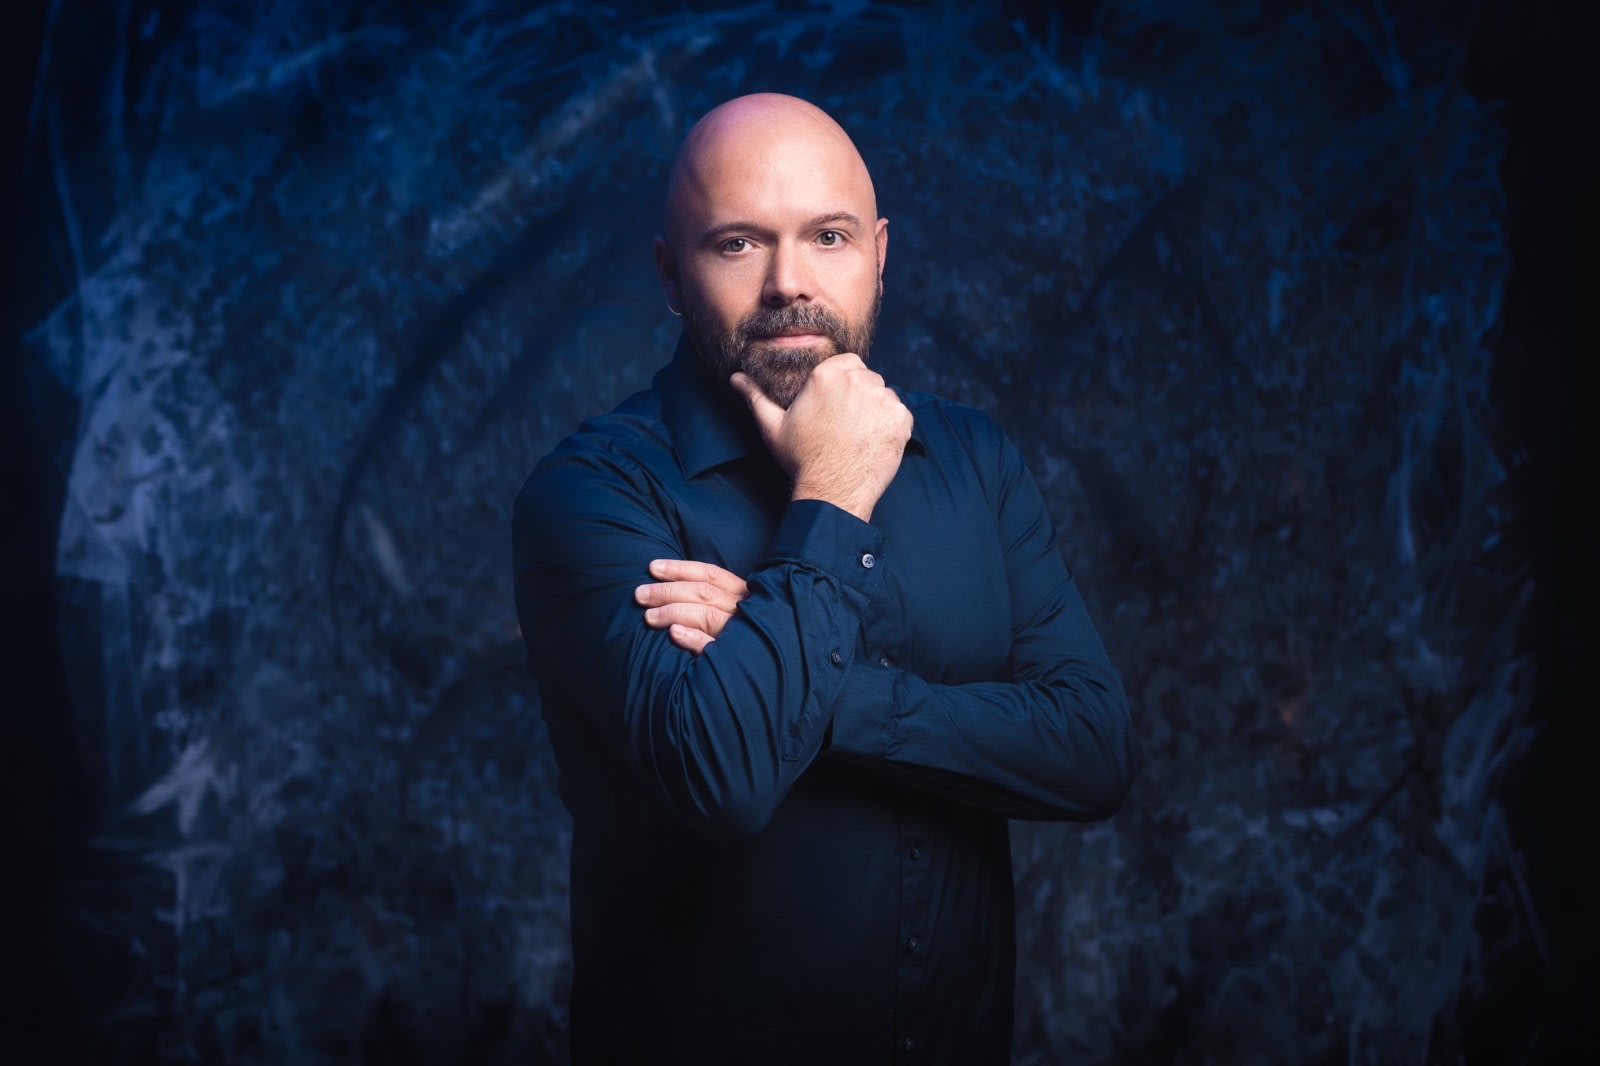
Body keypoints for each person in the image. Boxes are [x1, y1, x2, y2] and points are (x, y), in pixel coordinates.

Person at [512, 93, 1142, 1065]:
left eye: (829, 236)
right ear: (671, 274)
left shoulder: (973, 458)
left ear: (878, 254)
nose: (789, 283)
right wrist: (836, 487)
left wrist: (825, 694)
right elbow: (724, 777)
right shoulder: (592, 493)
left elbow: (1093, 750)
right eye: (737, 244)